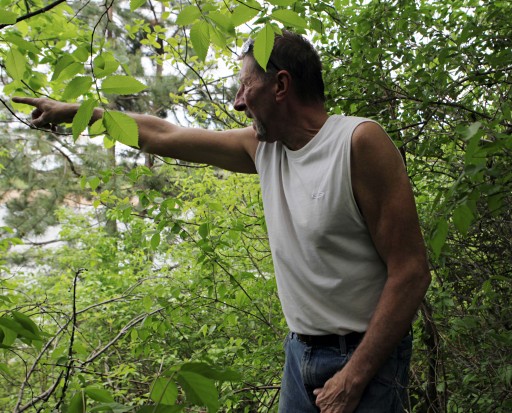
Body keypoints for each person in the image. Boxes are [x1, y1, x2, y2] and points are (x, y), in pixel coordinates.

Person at [12, 30, 431, 413]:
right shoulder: (263, 149)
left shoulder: (358, 143)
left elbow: (410, 272)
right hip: (298, 353)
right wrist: (71, 112)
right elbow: (163, 135)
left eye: (245, 86)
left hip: (366, 359)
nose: (237, 102)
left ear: (281, 85)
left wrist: (353, 377)